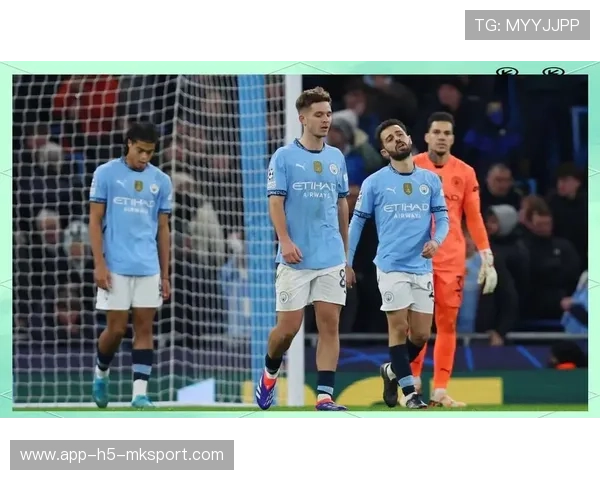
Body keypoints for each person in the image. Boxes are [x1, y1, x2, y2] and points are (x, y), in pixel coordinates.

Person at [255, 87, 352, 411]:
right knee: (287, 330)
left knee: (329, 325)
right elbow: (275, 202)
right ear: (303, 118)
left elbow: (342, 205)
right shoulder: (284, 157)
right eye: (318, 114)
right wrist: (284, 240)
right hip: (295, 258)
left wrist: (345, 254)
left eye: (328, 114)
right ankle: (270, 373)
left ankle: (324, 396)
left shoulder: (336, 157)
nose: (326, 120)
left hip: (330, 256)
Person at [347, 119, 450, 409]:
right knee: (398, 327)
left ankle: (391, 370)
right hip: (391, 266)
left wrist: (436, 241)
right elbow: (357, 223)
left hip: (422, 266)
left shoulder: (430, 180)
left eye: (400, 134)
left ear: (410, 138)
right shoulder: (374, 182)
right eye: (390, 139)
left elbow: (443, 218)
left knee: (421, 334)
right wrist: (347, 262)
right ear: (384, 151)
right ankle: (410, 394)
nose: (397, 139)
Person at [409, 112, 497, 407]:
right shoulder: (411, 167)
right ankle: (412, 385)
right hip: (416, 258)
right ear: (427, 136)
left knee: (447, 324)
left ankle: (440, 391)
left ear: (453, 138)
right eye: (437, 132)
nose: (442, 137)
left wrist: (486, 254)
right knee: (417, 324)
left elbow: (474, 216)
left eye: (447, 133)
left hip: (451, 259)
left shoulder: (465, 172)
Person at [89, 122, 173, 409]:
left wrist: (165, 274)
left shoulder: (161, 180)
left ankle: (139, 394)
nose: (145, 157)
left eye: (150, 152)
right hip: (115, 266)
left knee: (144, 329)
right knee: (115, 330)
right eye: (140, 150)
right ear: (128, 144)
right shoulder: (106, 174)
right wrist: (99, 264)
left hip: (148, 267)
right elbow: (94, 221)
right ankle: (101, 373)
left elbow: (163, 228)